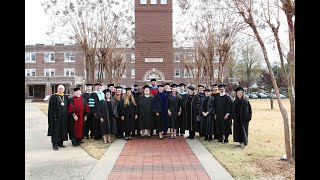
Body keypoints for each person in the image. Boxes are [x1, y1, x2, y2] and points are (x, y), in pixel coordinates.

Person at [47, 84, 69, 150]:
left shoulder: (65, 97)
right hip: (56, 117)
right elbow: (51, 108)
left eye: (62, 88)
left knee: (62, 130)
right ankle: (55, 144)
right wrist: (53, 117)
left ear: (64, 89)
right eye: (59, 88)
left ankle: (60, 143)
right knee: (56, 131)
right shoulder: (54, 97)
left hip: (64, 117)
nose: (61, 90)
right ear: (57, 89)